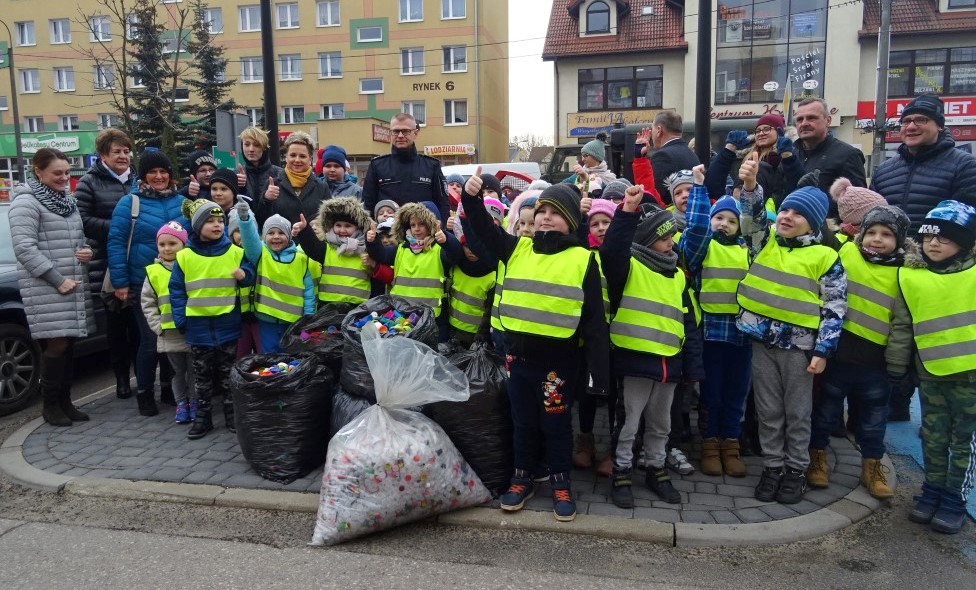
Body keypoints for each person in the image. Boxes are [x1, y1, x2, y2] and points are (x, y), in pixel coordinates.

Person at [461, 173, 610, 522]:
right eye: (542, 210)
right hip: (518, 361)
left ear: (571, 221)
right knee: (523, 422)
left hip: (559, 365)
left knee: (555, 425)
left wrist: (599, 377)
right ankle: (522, 476)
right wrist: (470, 200)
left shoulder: (583, 259)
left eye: (555, 212)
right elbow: (484, 231)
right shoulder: (518, 247)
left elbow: (594, 321)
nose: (545, 217)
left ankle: (560, 482)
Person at [736, 174, 847, 505]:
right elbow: (752, 217)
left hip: (799, 350)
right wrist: (753, 187)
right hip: (762, 343)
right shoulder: (763, 241)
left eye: (797, 214)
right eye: (785, 210)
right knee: (768, 410)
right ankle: (772, 466)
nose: (786, 217)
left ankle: (796, 470)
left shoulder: (825, 257)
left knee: (797, 412)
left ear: (811, 223)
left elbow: (834, 308)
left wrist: (824, 350)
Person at [600, 184, 703, 508]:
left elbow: (688, 322)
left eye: (672, 236)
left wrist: (691, 367)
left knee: (662, 424)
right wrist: (627, 212)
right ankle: (622, 471)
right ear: (646, 240)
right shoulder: (629, 266)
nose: (671, 242)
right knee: (629, 423)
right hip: (634, 362)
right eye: (663, 237)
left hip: (668, 364)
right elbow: (612, 251)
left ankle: (656, 469)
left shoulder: (677, 276)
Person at [807, 202, 911, 500]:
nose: (877, 239)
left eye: (887, 235)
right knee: (825, 413)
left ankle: (871, 467)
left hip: (875, 363)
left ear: (899, 241)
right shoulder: (846, 252)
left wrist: (898, 367)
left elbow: (904, 324)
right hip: (839, 355)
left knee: (873, 420)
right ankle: (817, 459)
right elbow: (820, 233)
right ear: (861, 233)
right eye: (872, 232)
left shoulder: (905, 272)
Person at [887, 200, 976, 535]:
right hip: (931, 374)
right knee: (935, 438)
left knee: (963, 441)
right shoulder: (912, 277)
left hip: (970, 376)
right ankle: (933, 489)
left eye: (946, 238)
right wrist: (899, 368)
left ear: (965, 242)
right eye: (928, 237)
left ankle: (955, 499)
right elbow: (904, 326)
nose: (934, 243)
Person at [10, 147, 95, 426]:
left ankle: (65, 402)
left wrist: (86, 252)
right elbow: (24, 248)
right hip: (48, 286)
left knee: (68, 343)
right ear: (38, 171)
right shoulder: (26, 202)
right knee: (56, 345)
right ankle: (50, 406)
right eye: (57, 173)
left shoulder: (64, 200)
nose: (64, 177)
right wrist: (58, 280)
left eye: (67, 172)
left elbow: (74, 240)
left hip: (71, 281)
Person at [680, 164, 752, 477]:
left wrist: (750, 188)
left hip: (742, 335)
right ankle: (709, 444)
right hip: (710, 334)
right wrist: (698, 189)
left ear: (740, 225)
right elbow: (695, 231)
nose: (723, 224)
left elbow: (758, 222)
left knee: (737, 393)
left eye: (731, 220)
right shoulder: (703, 246)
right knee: (711, 394)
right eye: (718, 218)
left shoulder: (750, 250)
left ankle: (730, 444)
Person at [107, 150, 186, 417]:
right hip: (144, 283)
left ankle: (167, 388)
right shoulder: (129, 203)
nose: (159, 176)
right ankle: (144, 393)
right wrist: (120, 282)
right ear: (144, 176)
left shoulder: (183, 203)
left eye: (163, 171)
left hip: (177, 284)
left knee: (172, 338)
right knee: (150, 341)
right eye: (153, 172)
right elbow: (116, 242)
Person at [170, 199, 255, 439]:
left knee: (228, 375)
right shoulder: (184, 256)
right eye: (210, 221)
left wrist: (244, 275)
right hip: (197, 326)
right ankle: (203, 418)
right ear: (197, 226)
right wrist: (181, 320)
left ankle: (232, 416)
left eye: (220, 221)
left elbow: (250, 275)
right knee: (202, 378)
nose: (217, 225)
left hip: (227, 323)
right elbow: (176, 290)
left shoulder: (235, 252)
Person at [75, 128, 139, 400]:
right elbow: (82, 219)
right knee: (116, 326)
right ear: (103, 155)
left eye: (126, 151)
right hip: (105, 264)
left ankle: (140, 377)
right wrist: (117, 227)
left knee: (138, 326)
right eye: (117, 152)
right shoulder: (88, 183)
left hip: (136, 260)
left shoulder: (137, 180)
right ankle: (121, 380)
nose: (123, 156)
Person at [871, 93, 976, 232]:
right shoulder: (884, 171)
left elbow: (968, 222)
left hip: (937, 253)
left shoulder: (964, 165)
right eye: (906, 121)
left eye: (921, 120)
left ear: (939, 126)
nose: (911, 127)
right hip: (890, 253)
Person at [364, 202, 462, 330]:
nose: (416, 229)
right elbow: (381, 254)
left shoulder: (439, 249)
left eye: (422, 224)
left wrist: (447, 240)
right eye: (413, 225)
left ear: (432, 225)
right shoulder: (401, 248)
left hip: (431, 318)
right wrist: (372, 241)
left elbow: (456, 255)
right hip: (400, 315)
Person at [141, 222, 197, 424]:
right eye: (162, 244)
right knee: (177, 372)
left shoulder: (191, 266)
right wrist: (157, 326)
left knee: (195, 370)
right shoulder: (153, 272)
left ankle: (195, 402)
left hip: (192, 330)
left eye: (172, 243)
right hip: (169, 332)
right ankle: (181, 403)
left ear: (183, 245)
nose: (166, 248)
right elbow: (148, 303)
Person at [362, 112, 451, 222]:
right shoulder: (377, 165)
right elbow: (368, 206)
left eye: (405, 131)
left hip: (422, 235)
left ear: (415, 133)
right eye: (395, 131)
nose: (400, 135)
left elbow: (443, 205)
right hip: (388, 236)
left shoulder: (431, 166)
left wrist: (441, 232)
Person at [704, 115, 804, 208]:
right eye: (758, 130)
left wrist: (787, 157)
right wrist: (729, 149)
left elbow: (799, 186)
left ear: (779, 132)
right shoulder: (742, 157)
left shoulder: (790, 156)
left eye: (767, 129)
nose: (761, 133)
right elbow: (712, 184)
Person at [447, 197, 504, 346]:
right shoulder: (457, 264)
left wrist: (482, 337)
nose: (472, 251)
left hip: (476, 338)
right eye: (467, 246)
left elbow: (489, 311)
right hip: (452, 330)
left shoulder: (493, 271)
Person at [792, 98, 867, 212]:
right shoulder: (791, 155)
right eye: (799, 119)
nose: (804, 123)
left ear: (828, 120)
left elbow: (859, 204)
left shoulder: (848, 155)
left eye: (811, 118)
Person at [258, 132, 331, 248]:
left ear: (310, 159)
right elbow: (261, 220)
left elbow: (330, 221)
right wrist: (266, 199)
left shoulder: (322, 187)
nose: (297, 160)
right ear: (286, 157)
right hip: (280, 251)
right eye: (292, 155)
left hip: (313, 251)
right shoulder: (273, 184)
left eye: (302, 156)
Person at [297, 196, 374, 306]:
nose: (342, 230)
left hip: (357, 306)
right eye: (338, 225)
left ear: (358, 227)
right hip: (328, 304)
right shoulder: (328, 248)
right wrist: (304, 230)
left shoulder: (366, 249)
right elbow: (312, 247)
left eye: (348, 226)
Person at [235, 126, 284, 225]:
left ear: (264, 147)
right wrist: (239, 188)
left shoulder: (280, 174)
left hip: (274, 232)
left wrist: (268, 199)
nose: (251, 149)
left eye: (256, 145)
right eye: (247, 144)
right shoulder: (236, 175)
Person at [648, 111, 700, 205]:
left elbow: (656, 196)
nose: (651, 135)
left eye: (653, 129)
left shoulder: (662, 156)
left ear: (659, 130)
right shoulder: (692, 154)